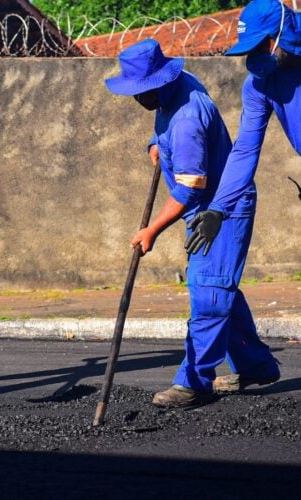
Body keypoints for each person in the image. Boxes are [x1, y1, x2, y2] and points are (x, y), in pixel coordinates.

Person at [105, 38, 279, 408]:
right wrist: (156, 143)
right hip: (203, 208)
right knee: (218, 288)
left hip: (221, 211)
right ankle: (258, 365)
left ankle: (194, 382)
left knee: (209, 294)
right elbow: (164, 130)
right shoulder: (178, 86)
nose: (137, 99)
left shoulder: (187, 120)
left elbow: (189, 190)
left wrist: (151, 229)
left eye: (142, 92)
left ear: (160, 82)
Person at [185, 0, 299, 391]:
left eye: (259, 45)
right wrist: (218, 208)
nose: (253, 56)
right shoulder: (261, 84)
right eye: (247, 48)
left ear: (281, 35)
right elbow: (245, 151)